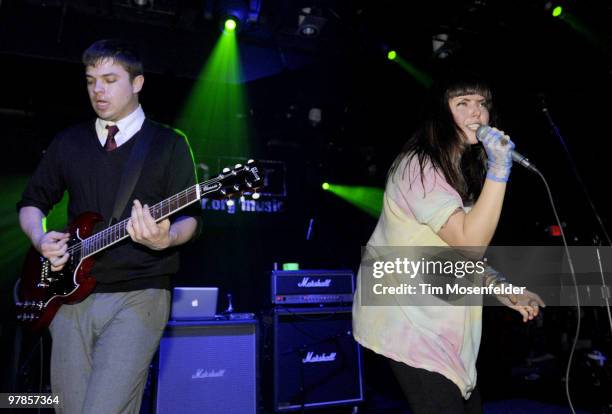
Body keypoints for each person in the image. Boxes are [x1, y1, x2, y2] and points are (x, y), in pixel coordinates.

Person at [17, 39, 201, 413]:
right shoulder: (69, 141)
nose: (98, 90)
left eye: (109, 79)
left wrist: (166, 239)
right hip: (69, 299)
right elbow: (32, 203)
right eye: (90, 80)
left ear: (137, 83)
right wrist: (39, 239)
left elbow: (191, 220)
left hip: (140, 293)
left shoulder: (168, 144)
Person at [352, 76, 545, 414]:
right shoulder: (418, 168)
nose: (477, 113)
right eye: (463, 103)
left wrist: (502, 287)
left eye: (482, 104)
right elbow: (469, 243)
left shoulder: (456, 171)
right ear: (441, 115)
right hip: (409, 322)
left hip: (442, 324)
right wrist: (500, 169)